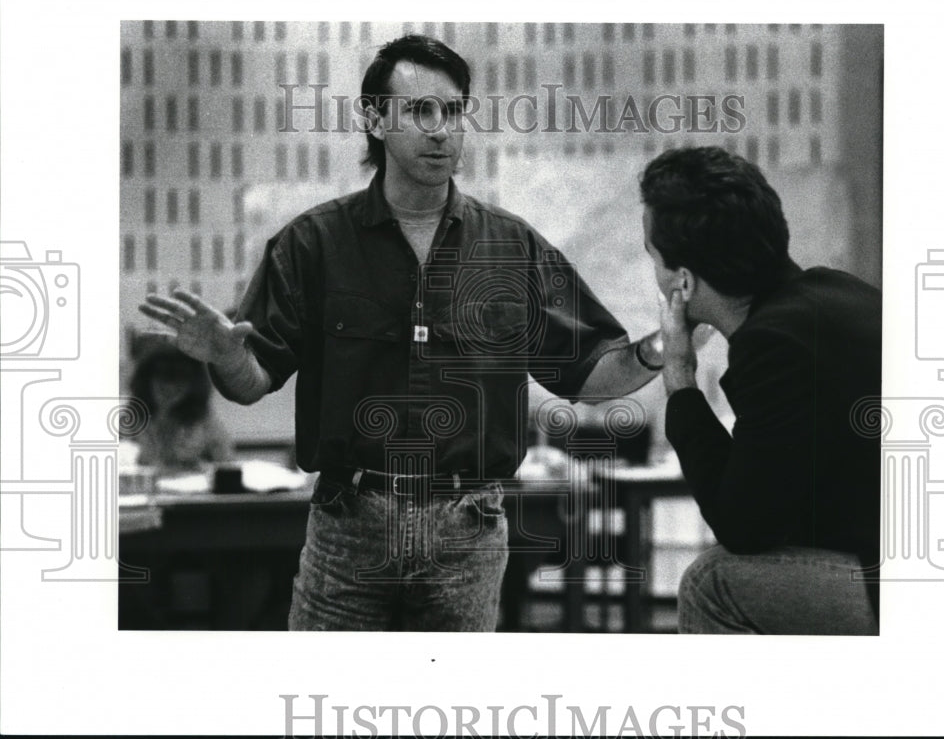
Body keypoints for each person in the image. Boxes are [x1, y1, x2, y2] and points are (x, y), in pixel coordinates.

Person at [139, 33, 665, 631]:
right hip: (348, 526)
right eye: (419, 110)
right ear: (375, 120)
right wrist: (224, 356)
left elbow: (590, 375)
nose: (441, 129)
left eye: (454, 111)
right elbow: (250, 382)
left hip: (466, 530)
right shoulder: (313, 245)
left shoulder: (511, 248)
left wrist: (658, 348)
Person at [640, 145, 881, 635]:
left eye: (653, 258)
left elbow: (743, 526)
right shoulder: (839, 291)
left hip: (902, 583)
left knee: (713, 581)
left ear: (682, 283)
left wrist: (680, 374)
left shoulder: (773, 344)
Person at [125, 338, 231, 471]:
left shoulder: (204, 419)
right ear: (146, 379)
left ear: (194, 383)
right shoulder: (129, 418)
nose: (170, 386)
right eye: (164, 376)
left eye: (180, 377)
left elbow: (226, 465)